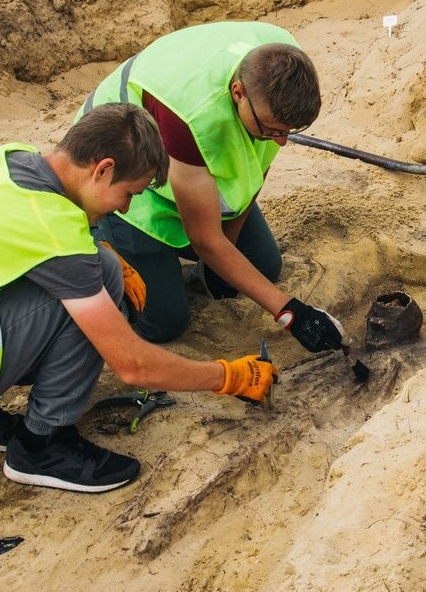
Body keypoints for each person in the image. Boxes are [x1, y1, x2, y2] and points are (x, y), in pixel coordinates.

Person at [0, 104, 278, 494]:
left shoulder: (10, 158)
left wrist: (104, 252)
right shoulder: (52, 226)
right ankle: (41, 446)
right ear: (103, 169)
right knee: (95, 280)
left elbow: (42, 232)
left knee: (99, 263)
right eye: (129, 193)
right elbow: (133, 365)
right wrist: (228, 377)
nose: (125, 207)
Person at [80, 21, 348, 355]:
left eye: (289, 130)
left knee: (263, 267)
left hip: (189, 162)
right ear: (238, 94)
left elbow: (255, 170)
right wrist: (291, 313)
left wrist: (226, 251)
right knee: (166, 323)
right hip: (127, 177)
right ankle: (104, 245)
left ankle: (171, 268)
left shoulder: (283, 67)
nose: (282, 140)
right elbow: (205, 240)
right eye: (273, 129)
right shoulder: (191, 116)